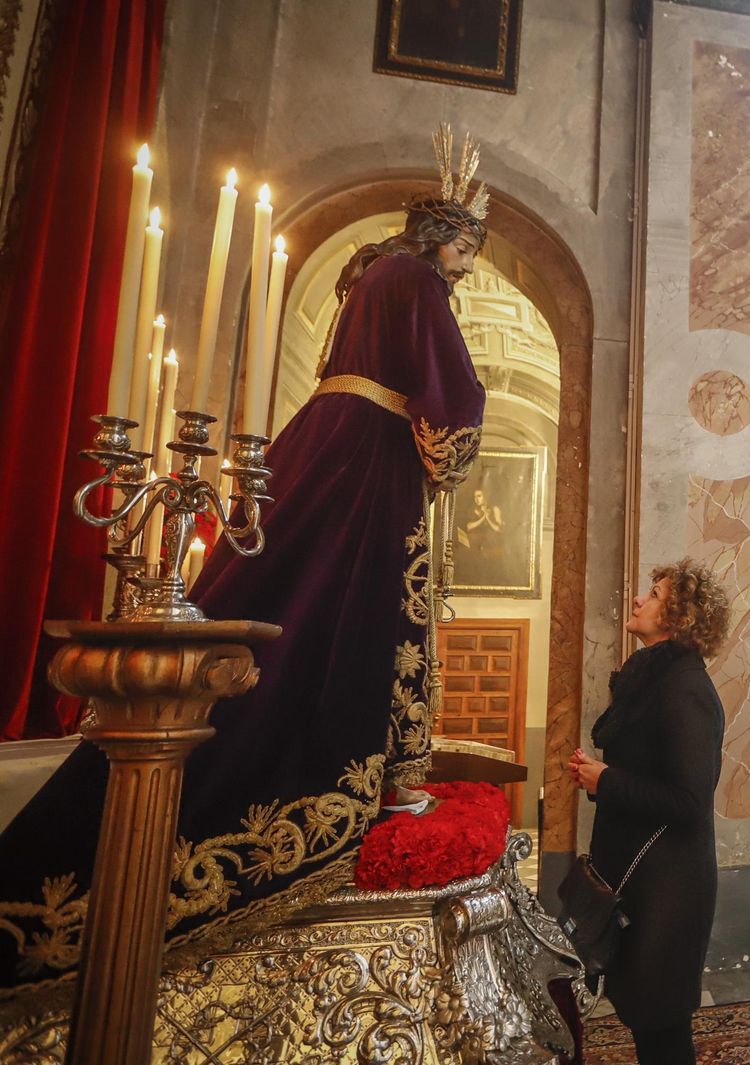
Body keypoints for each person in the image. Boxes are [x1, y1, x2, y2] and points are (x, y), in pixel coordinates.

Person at [0, 130, 489, 1005]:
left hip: (318, 440)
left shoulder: (370, 271)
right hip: (371, 456)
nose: (464, 272)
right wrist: (447, 445)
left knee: (280, 587)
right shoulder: (415, 279)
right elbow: (450, 392)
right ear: (444, 235)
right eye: (465, 252)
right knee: (362, 608)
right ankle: (370, 778)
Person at [567, 560, 731, 1065]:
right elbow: (650, 772)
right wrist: (602, 779)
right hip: (642, 878)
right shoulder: (653, 679)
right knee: (645, 1019)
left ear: (678, 618)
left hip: (670, 889)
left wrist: (606, 780)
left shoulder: (685, 688)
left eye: (655, 594)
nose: (639, 599)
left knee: (662, 1027)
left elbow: (689, 801)